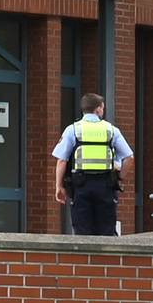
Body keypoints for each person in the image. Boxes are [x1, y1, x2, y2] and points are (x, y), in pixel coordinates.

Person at [51, 95, 135, 236]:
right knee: (106, 232)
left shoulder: (72, 130)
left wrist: (58, 186)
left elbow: (62, 161)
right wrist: (120, 177)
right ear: (98, 109)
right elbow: (130, 157)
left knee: (82, 232)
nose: (103, 110)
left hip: (80, 186)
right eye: (102, 107)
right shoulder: (111, 130)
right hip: (105, 186)